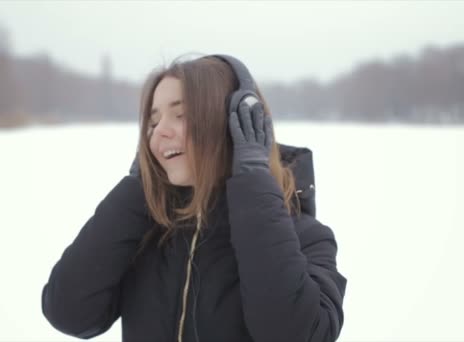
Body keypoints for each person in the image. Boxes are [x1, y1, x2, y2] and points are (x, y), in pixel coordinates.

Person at [41, 54, 347, 342]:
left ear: (236, 123)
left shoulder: (306, 237)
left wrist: (252, 177)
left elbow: (294, 333)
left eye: (180, 114)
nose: (159, 133)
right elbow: (69, 312)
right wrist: (140, 184)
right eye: (153, 122)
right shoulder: (145, 231)